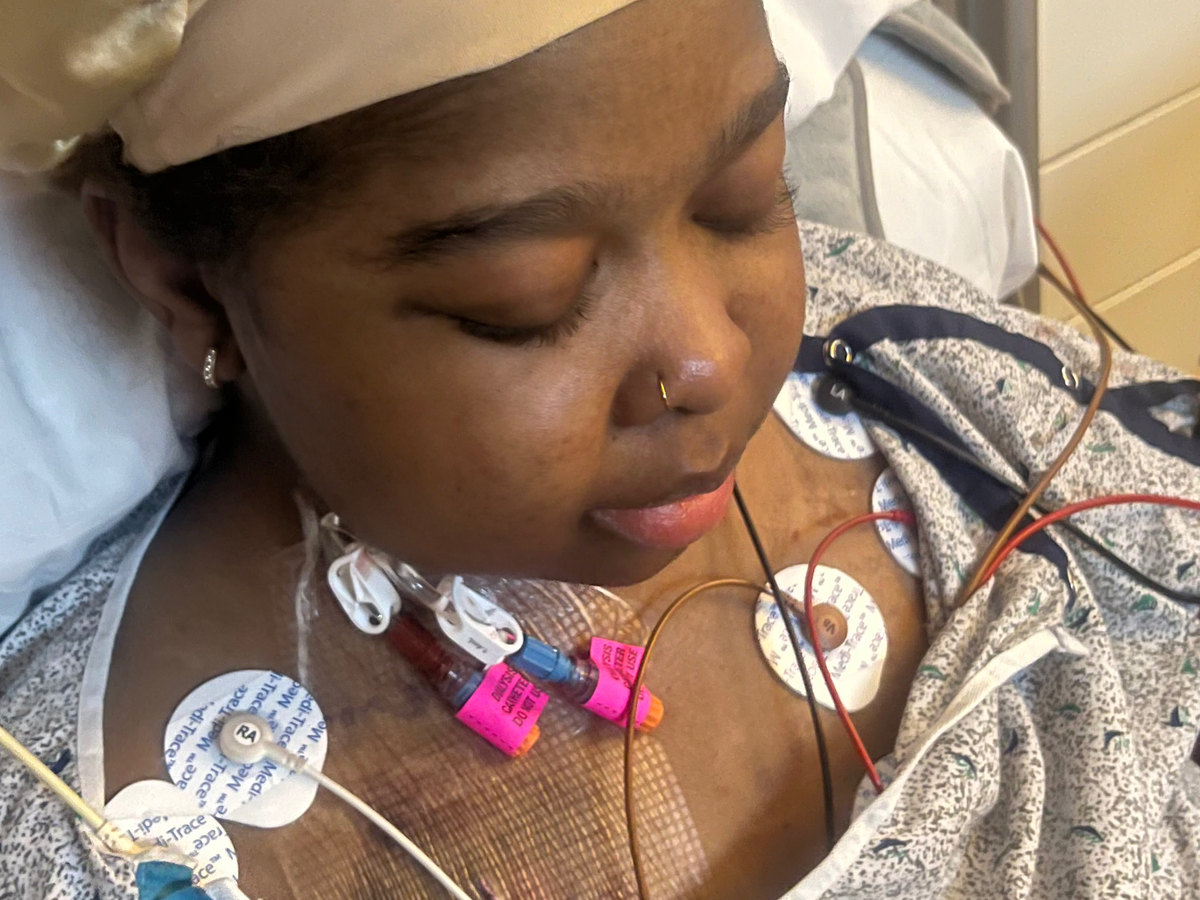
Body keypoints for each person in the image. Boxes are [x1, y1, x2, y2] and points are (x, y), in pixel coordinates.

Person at [1, 1, 1198, 898]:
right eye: (521, 305)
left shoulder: (922, 382)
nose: (707, 362)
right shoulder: (85, 833)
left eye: (747, 198)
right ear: (186, 286)